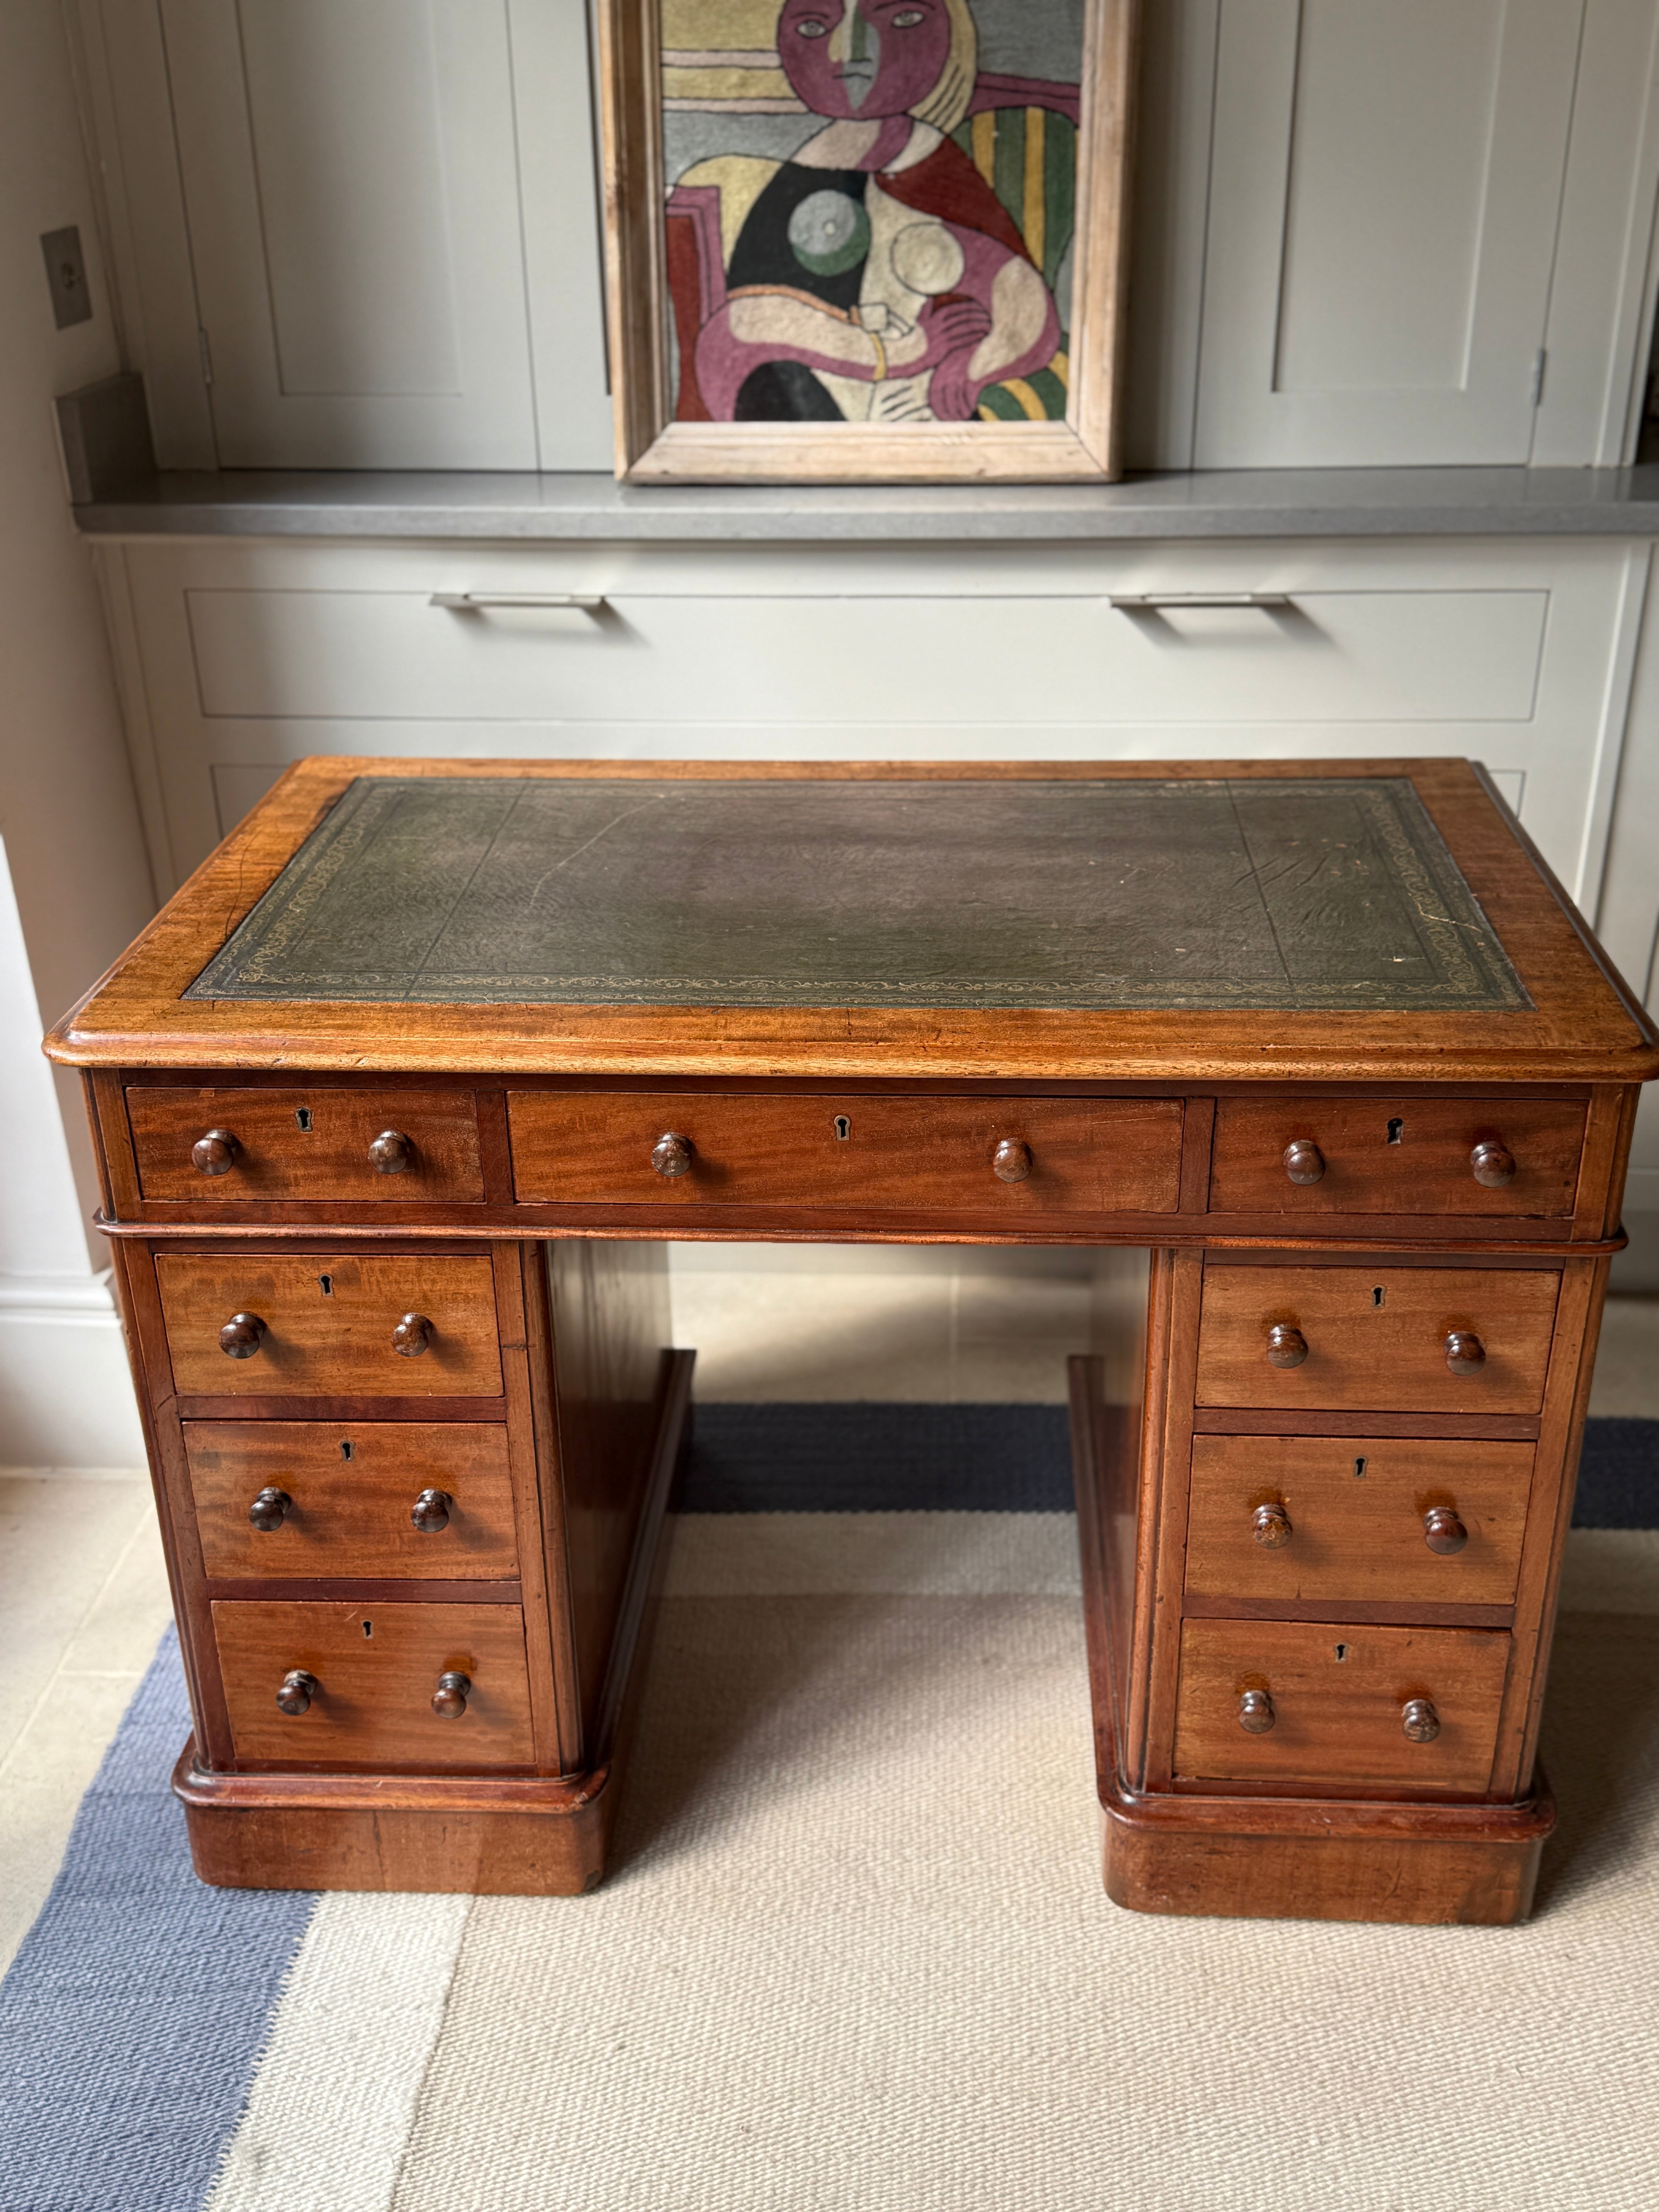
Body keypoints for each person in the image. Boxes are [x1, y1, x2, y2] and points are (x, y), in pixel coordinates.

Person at [684, 0, 1060, 424]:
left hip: (919, 410)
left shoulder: (932, 169)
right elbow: (740, 330)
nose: (851, 54)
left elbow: (1024, 306)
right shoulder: (804, 173)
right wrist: (896, 353)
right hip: (811, 403)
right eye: (814, 27)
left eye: (903, 20)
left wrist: (970, 371)